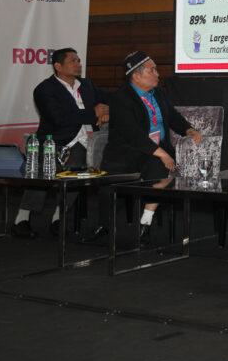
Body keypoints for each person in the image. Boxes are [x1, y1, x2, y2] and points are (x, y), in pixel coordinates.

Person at [83, 50, 201, 245]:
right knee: (109, 186)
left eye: (156, 70)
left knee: (160, 170)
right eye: (152, 70)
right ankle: (104, 225)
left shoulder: (159, 92)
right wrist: (163, 154)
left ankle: (145, 223)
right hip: (125, 152)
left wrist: (189, 130)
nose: (157, 74)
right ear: (136, 76)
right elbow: (133, 135)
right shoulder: (121, 98)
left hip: (154, 151)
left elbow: (172, 116)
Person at [13, 47, 110, 239]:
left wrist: (106, 111)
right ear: (58, 66)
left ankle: (59, 218)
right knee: (42, 173)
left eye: (79, 61)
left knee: (76, 174)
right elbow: (59, 119)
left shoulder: (87, 85)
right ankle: (21, 219)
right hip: (54, 141)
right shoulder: (45, 89)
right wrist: (93, 113)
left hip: (84, 144)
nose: (78, 64)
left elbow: (109, 99)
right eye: (73, 61)